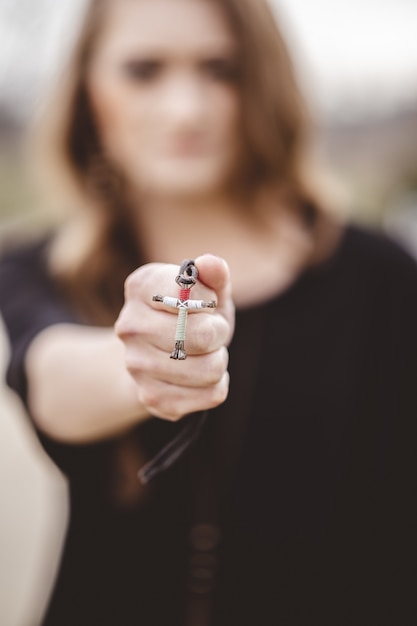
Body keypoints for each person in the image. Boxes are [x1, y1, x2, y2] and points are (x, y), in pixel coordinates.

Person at [0, 0, 416, 624]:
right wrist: (138, 363)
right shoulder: (40, 267)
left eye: (221, 69)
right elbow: (49, 376)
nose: (186, 109)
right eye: (144, 70)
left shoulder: (380, 275)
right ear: (88, 91)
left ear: (263, 83)